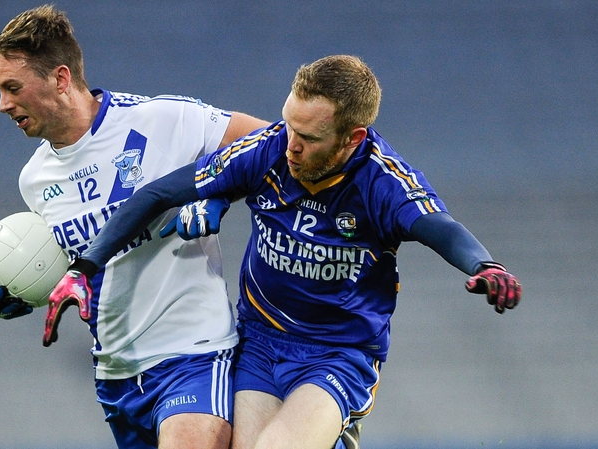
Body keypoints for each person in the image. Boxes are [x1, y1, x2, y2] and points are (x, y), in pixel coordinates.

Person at [45, 54, 522, 449]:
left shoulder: (382, 183)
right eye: (289, 125)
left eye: (309, 137)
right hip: (261, 342)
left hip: (338, 353)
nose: (290, 145)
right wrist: (84, 267)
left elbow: (439, 226)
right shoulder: (270, 149)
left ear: (352, 138)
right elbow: (155, 195)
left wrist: (484, 264)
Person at [0, 5, 269, 449]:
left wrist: (216, 193)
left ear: (60, 78)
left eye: (12, 88)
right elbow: (78, 261)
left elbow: (276, 145)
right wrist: (18, 286)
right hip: (117, 375)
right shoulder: (34, 180)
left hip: (193, 351)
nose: (2, 105)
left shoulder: (164, 120)